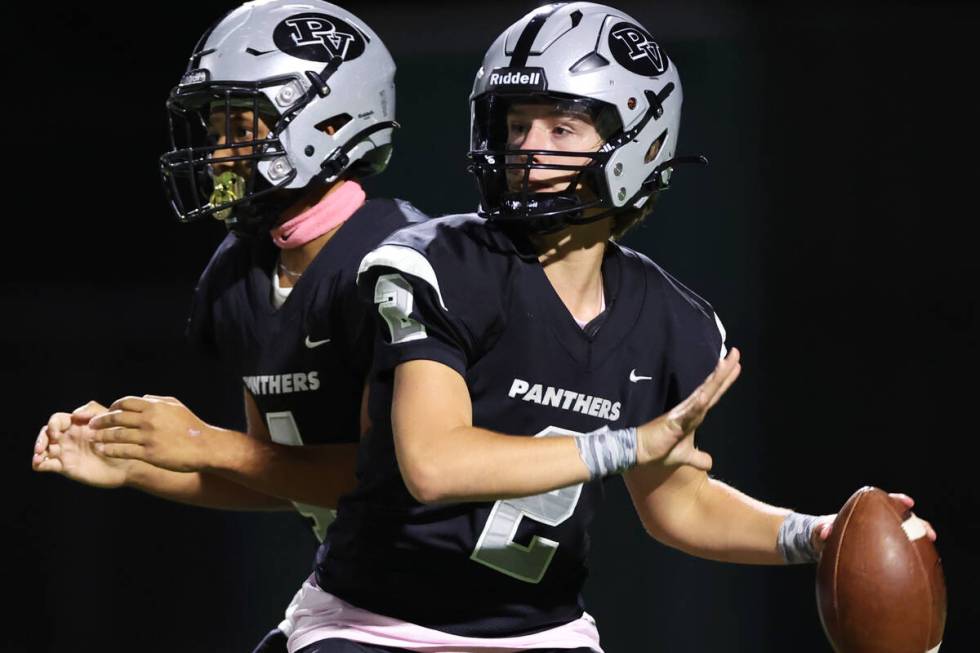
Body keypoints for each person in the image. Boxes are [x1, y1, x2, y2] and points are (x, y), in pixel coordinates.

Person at [279, 4, 936, 653]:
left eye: (562, 128)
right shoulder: (439, 264)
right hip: (371, 625)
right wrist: (625, 443)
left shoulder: (672, 322)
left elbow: (678, 505)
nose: (529, 147)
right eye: (516, 126)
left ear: (640, 145)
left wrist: (811, 534)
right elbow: (434, 462)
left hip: (542, 634)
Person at [30, 1, 425, 651]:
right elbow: (284, 477)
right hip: (361, 592)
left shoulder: (398, 263)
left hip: (460, 601)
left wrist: (203, 440)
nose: (218, 153)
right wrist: (139, 462)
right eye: (215, 130)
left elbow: (399, 477)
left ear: (326, 120)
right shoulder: (242, 272)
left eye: (237, 127)